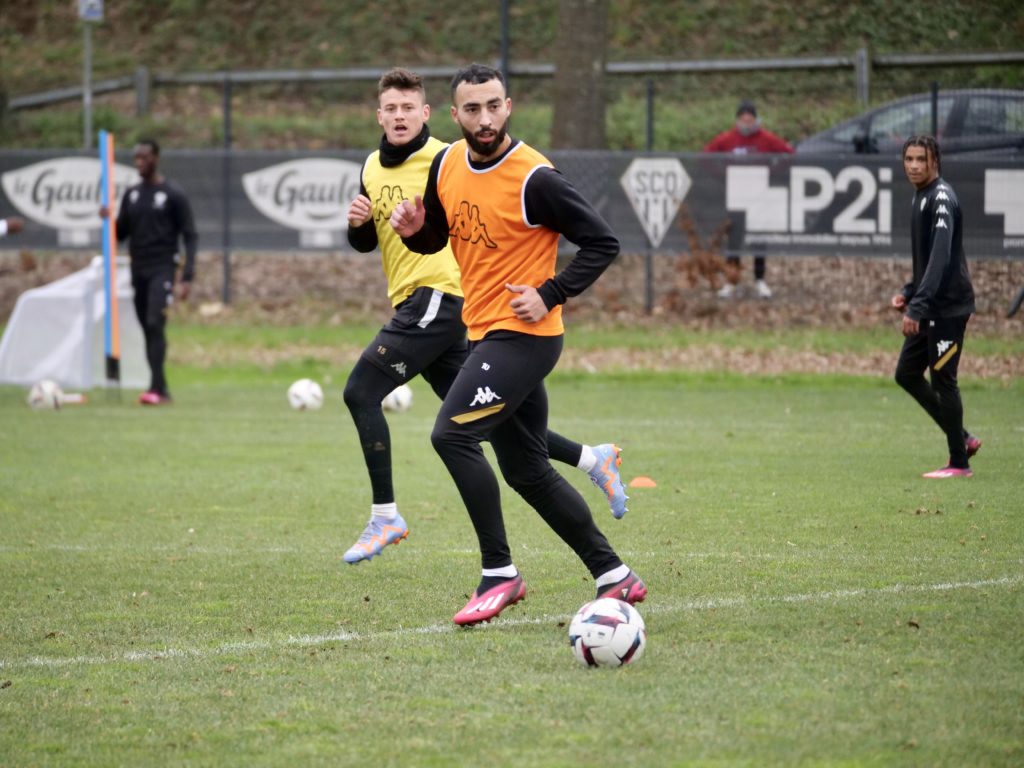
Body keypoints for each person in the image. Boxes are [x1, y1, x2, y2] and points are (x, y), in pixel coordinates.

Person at [391, 63, 646, 626]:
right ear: (455, 115)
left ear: (508, 107)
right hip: (485, 332)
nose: (484, 119)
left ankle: (499, 573)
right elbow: (439, 235)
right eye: (472, 109)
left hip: (524, 337)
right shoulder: (446, 164)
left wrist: (550, 293)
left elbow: (603, 242)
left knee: (452, 435)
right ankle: (614, 574)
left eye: (493, 106)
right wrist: (415, 232)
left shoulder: (536, 178)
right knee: (527, 468)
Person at [891, 135, 981, 478]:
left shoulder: (941, 197)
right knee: (906, 373)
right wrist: (910, 292)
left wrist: (917, 307)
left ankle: (959, 463)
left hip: (948, 308)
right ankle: (962, 438)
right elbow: (928, 260)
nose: (914, 165)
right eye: (909, 159)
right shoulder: (921, 196)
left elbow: (942, 257)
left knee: (943, 380)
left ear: (935, 161)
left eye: (921, 159)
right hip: (930, 304)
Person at [103, 139, 197, 405]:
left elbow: (190, 235)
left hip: (163, 268)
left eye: (144, 157)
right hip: (138, 269)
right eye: (136, 158)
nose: (139, 163)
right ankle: (160, 388)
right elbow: (120, 234)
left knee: (155, 322)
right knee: (147, 327)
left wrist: (187, 276)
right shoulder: (132, 195)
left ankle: (156, 388)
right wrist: (107, 219)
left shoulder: (173, 194)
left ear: (156, 158)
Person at [704, 99, 794, 299]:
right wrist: (723, 175)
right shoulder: (728, 138)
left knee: (759, 238)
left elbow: (789, 154)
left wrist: (772, 172)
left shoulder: (766, 138)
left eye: (750, 119)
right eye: (743, 120)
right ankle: (731, 281)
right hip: (736, 196)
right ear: (737, 120)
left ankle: (760, 280)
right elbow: (706, 156)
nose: (746, 123)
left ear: (756, 119)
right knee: (734, 239)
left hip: (759, 196)